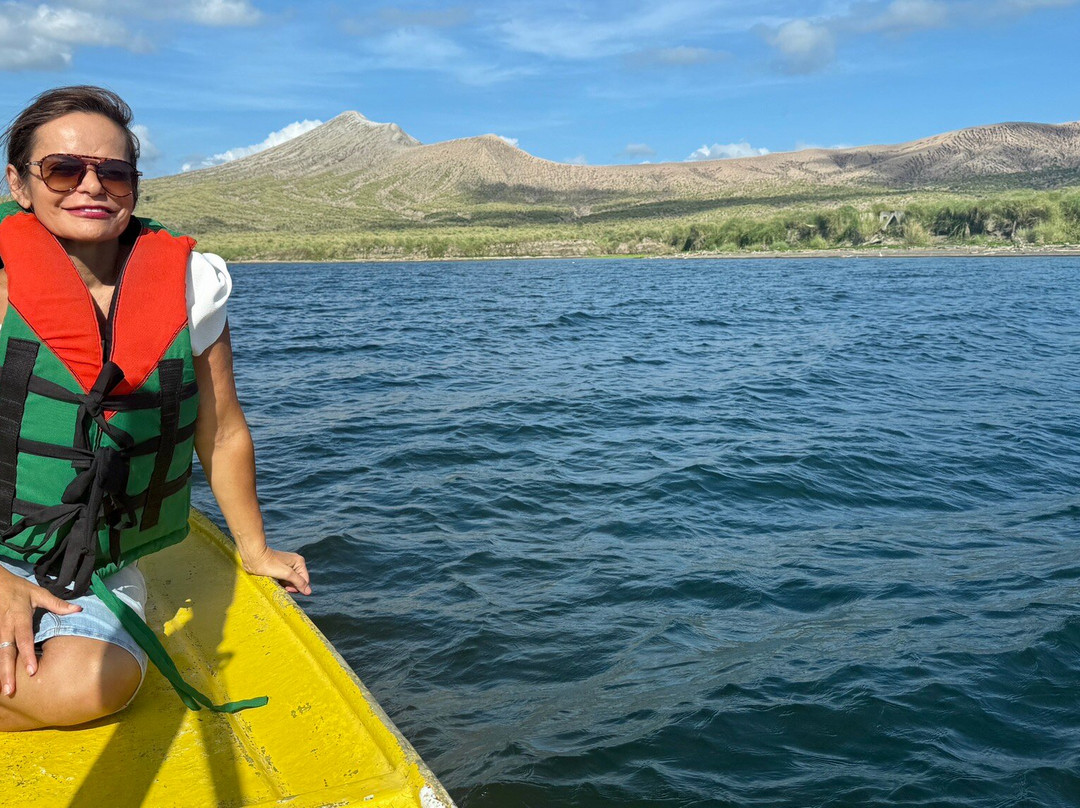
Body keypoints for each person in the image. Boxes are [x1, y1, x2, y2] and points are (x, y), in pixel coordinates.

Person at [0, 85, 311, 731]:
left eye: (114, 173)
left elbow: (221, 429)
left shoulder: (192, 285)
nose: (92, 187)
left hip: (88, 568)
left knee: (94, 687)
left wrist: (254, 549)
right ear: (20, 184)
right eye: (63, 169)